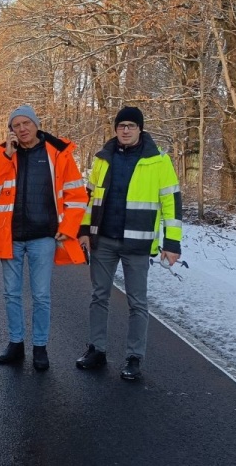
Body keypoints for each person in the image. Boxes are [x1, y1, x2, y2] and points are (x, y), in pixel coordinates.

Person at [75, 106, 182, 381]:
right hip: (104, 240)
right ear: (115, 129)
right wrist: (84, 230)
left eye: (131, 126)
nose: (125, 130)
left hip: (137, 243)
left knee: (137, 303)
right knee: (99, 296)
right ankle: (96, 350)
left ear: (140, 130)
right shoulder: (103, 158)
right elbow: (91, 198)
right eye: (121, 125)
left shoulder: (158, 161)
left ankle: (134, 357)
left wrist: (172, 243)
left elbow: (171, 203)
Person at [0, 104, 88, 371]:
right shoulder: (2, 153)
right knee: (11, 294)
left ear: (36, 124)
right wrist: (6, 155)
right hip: (11, 236)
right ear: (11, 131)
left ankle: (40, 347)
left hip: (43, 237)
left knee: (41, 295)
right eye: (16, 126)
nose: (22, 129)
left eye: (26, 123)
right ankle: (16, 344)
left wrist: (70, 226)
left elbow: (77, 194)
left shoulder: (57, 154)